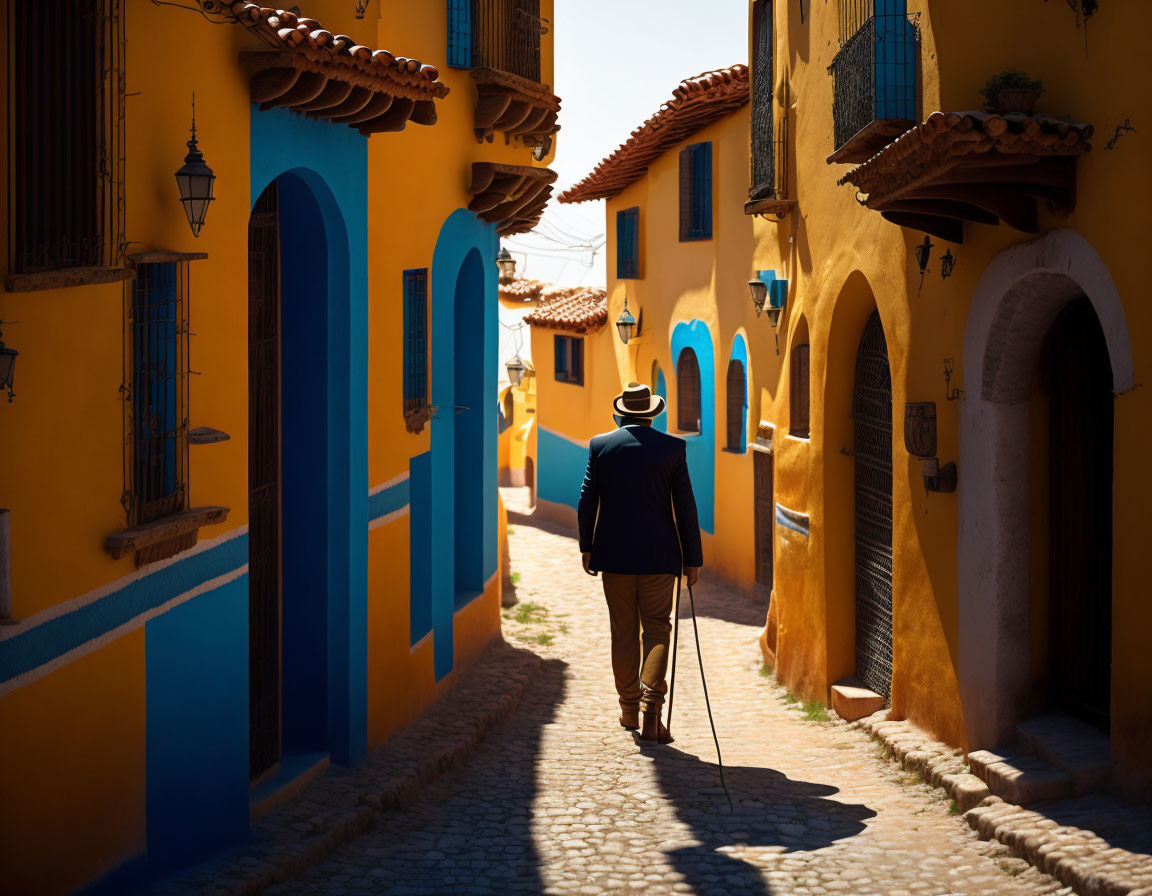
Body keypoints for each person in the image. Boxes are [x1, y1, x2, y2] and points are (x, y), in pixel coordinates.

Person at [577, 382, 703, 743]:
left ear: (622, 412)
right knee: (658, 630)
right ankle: (652, 710)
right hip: (660, 557)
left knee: (623, 632)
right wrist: (692, 560)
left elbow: (587, 499)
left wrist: (587, 546)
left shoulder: (601, 446)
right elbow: (686, 507)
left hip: (614, 555)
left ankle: (629, 709)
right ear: (651, 413)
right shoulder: (672, 449)